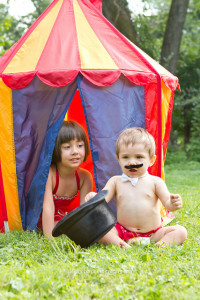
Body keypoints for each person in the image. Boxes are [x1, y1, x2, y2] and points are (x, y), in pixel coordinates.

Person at [85, 127, 187, 248]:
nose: (132, 162)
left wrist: (174, 203)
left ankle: (160, 246)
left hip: (153, 232)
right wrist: (94, 199)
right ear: (118, 159)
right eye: (126, 157)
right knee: (101, 231)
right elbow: (103, 198)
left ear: (151, 160)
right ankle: (121, 244)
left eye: (139, 157)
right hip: (123, 231)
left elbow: (168, 204)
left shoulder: (156, 182)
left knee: (181, 231)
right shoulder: (115, 181)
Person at [42, 120, 93, 238]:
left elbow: (84, 210)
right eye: (67, 147)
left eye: (80, 145)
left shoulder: (85, 177)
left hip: (62, 218)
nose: (75, 151)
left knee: (69, 224)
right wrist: (49, 237)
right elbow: (48, 207)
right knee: (64, 227)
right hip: (44, 218)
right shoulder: (49, 174)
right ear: (55, 149)